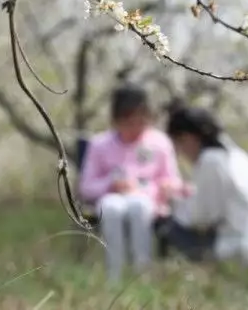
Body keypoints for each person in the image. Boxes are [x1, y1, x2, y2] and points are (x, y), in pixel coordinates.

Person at [158, 105, 248, 263]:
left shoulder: (211, 161)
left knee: (166, 228)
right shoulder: (235, 155)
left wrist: (173, 202)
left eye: (179, 144)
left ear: (188, 138)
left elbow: (201, 218)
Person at [78, 83, 184, 282]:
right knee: (111, 209)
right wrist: (111, 183)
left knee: (139, 206)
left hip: (147, 200)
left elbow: (172, 181)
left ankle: (142, 273)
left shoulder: (160, 143)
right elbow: (86, 187)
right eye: (129, 122)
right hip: (111, 199)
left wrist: (164, 188)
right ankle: (114, 276)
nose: (135, 128)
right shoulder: (99, 144)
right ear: (116, 120)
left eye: (141, 122)